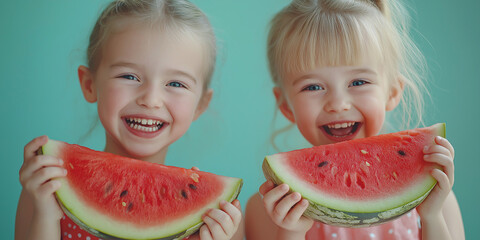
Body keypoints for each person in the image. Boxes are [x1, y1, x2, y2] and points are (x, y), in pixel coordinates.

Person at [15, 1, 243, 240]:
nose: (151, 99)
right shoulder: (47, 188)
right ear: (89, 84)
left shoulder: (221, 218)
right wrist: (45, 216)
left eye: (176, 84)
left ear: (201, 105)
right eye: (129, 76)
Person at [245, 0, 464, 239]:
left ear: (392, 92)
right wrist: (290, 232)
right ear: (286, 105)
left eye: (358, 82)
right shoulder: (268, 208)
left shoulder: (437, 199)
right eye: (313, 86)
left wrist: (432, 216)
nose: (338, 104)